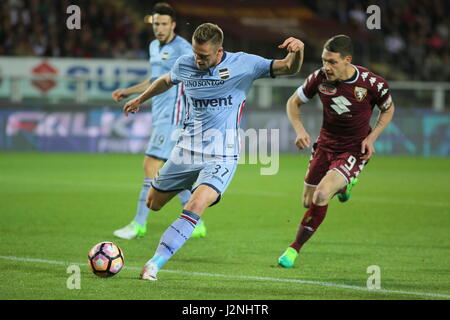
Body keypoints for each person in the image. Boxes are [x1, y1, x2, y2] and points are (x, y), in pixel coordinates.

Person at [123, 23, 304, 280]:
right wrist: (141, 99)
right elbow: (165, 80)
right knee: (153, 203)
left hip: (223, 154)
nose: (198, 60)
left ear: (219, 51)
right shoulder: (186, 63)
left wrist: (298, 51)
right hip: (186, 150)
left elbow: (288, 67)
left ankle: (154, 264)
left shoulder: (245, 64)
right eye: (196, 54)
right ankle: (186, 186)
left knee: (197, 204)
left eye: (204, 56)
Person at [278, 35, 395, 268]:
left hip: (353, 148)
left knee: (321, 195)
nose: (326, 67)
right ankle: (344, 185)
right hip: (325, 145)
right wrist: (300, 130)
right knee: (307, 201)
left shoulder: (372, 83)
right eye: (323, 61)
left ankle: (293, 249)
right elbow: (293, 102)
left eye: (332, 62)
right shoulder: (319, 79)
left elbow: (388, 109)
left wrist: (372, 139)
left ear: (347, 60)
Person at [111, 3, 207, 240]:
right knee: (174, 169)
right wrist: (130, 92)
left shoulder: (184, 48)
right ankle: (197, 222)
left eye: (164, 24)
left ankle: (138, 223)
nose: (159, 28)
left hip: (173, 116)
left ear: (173, 25)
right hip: (159, 113)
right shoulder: (154, 46)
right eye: (156, 24)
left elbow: (199, 75)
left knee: (150, 165)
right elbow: (155, 80)